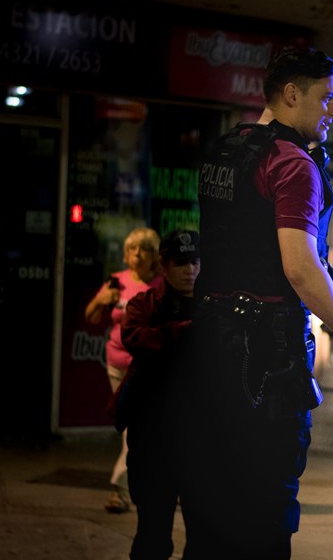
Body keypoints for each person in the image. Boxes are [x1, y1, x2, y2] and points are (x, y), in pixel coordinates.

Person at [183, 46, 333, 559]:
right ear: (292, 94)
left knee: (209, 506)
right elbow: (300, 268)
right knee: (266, 515)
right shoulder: (292, 165)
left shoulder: (226, 150)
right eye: (328, 97)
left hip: (209, 351)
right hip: (265, 365)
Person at [119, 229, 200, 560]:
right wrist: (183, 332)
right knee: (152, 534)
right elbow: (135, 338)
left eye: (194, 261)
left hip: (201, 438)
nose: (190, 270)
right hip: (154, 436)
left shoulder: (216, 308)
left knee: (203, 537)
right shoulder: (145, 304)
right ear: (164, 265)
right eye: (181, 263)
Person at [84, 226, 163, 514]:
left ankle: (124, 489)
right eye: (132, 249)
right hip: (117, 367)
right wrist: (100, 301)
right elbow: (92, 316)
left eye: (144, 249)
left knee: (140, 427)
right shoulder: (116, 281)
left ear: (155, 256)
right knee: (134, 426)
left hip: (147, 367)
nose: (137, 255)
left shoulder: (161, 284)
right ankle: (131, 488)